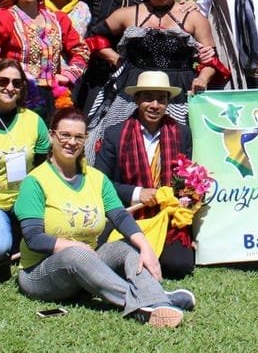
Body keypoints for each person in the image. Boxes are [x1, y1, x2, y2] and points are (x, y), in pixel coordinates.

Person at [14, 106, 195, 327]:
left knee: (126, 247)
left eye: (78, 137)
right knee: (76, 254)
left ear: (85, 139)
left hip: (87, 266)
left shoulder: (97, 178)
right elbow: (33, 238)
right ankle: (151, 300)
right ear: (52, 136)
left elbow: (120, 217)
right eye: (65, 135)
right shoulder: (35, 181)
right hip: (40, 274)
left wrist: (145, 246)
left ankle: (154, 298)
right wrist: (72, 245)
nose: (71, 142)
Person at [87, 0, 221, 160]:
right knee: (124, 143)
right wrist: (116, 59)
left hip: (179, 90)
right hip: (134, 86)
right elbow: (94, 36)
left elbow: (211, 59)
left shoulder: (193, 18)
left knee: (181, 147)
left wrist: (203, 78)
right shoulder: (129, 14)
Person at [94, 71, 197, 279]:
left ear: (168, 103)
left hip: (167, 217)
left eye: (161, 99)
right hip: (129, 216)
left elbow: (187, 180)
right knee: (116, 260)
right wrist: (137, 193)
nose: (155, 105)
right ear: (137, 99)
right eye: (148, 98)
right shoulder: (115, 134)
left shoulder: (181, 133)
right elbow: (99, 182)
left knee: (178, 266)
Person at [0, 60, 51, 269]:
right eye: (3, 81)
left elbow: (43, 169)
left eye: (16, 83)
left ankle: (17, 234)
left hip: (25, 199)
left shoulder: (34, 121)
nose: (10, 87)